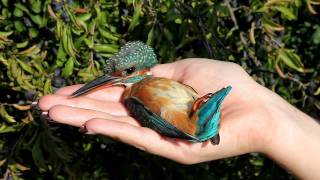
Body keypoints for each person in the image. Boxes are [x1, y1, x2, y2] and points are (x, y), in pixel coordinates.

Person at [38, 58, 320, 179]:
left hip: (194, 122)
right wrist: (271, 122)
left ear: (145, 69)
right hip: (198, 118)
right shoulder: (137, 90)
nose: (115, 80)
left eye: (123, 73)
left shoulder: (133, 97)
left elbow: (166, 118)